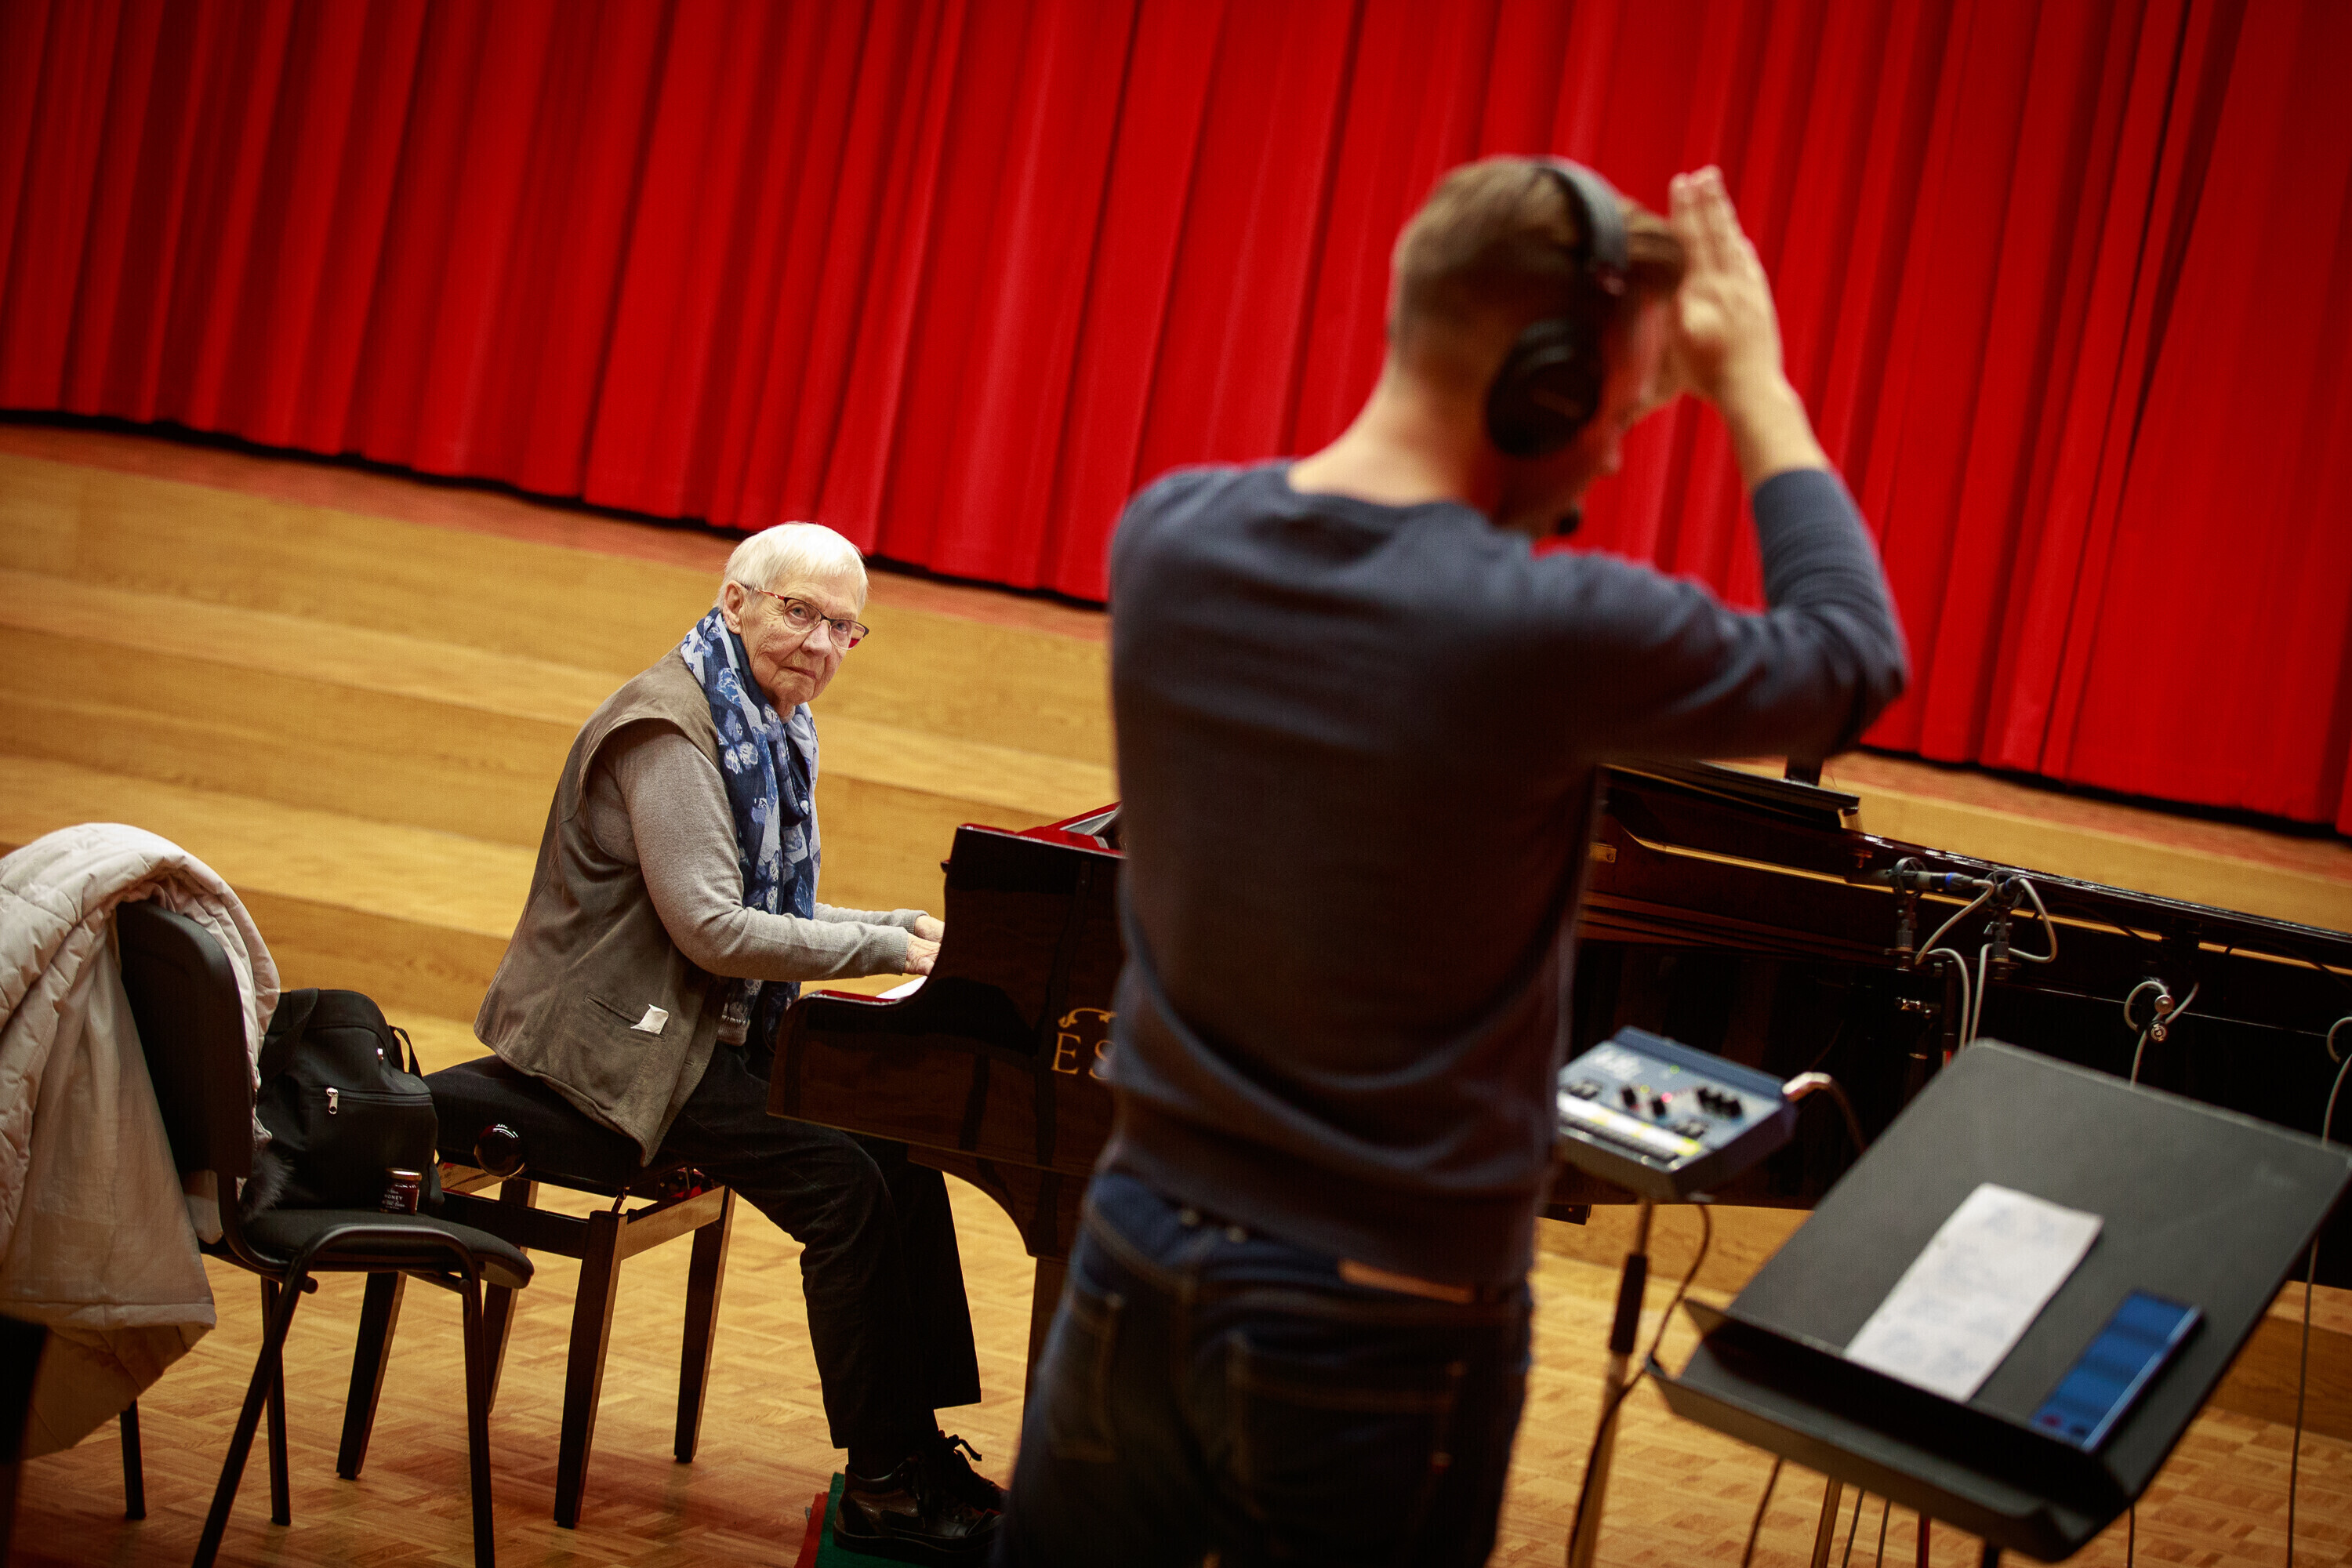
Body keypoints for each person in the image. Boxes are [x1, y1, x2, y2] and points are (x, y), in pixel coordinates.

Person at [996, 158, 1907, 1567]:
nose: (1613, 458)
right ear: (1545, 387)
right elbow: (1850, 659)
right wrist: (1752, 386)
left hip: (1135, 1252)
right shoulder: (1537, 634)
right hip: (1380, 1320)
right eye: (1618, 412)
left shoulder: (1169, 535)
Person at [477, 522, 1002, 1561]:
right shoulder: (670, 732)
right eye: (800, 613)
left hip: (699, 1025)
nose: (819, 643)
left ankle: (914, 1442)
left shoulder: (768, 723)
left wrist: (901, 928)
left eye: (843, 628)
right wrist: (885, 945)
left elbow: (772, 908)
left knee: (899, 1149)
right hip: (616, 1036)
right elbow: (715, 929)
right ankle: (883, 1485)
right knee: (840, 1187)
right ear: (736, 602)